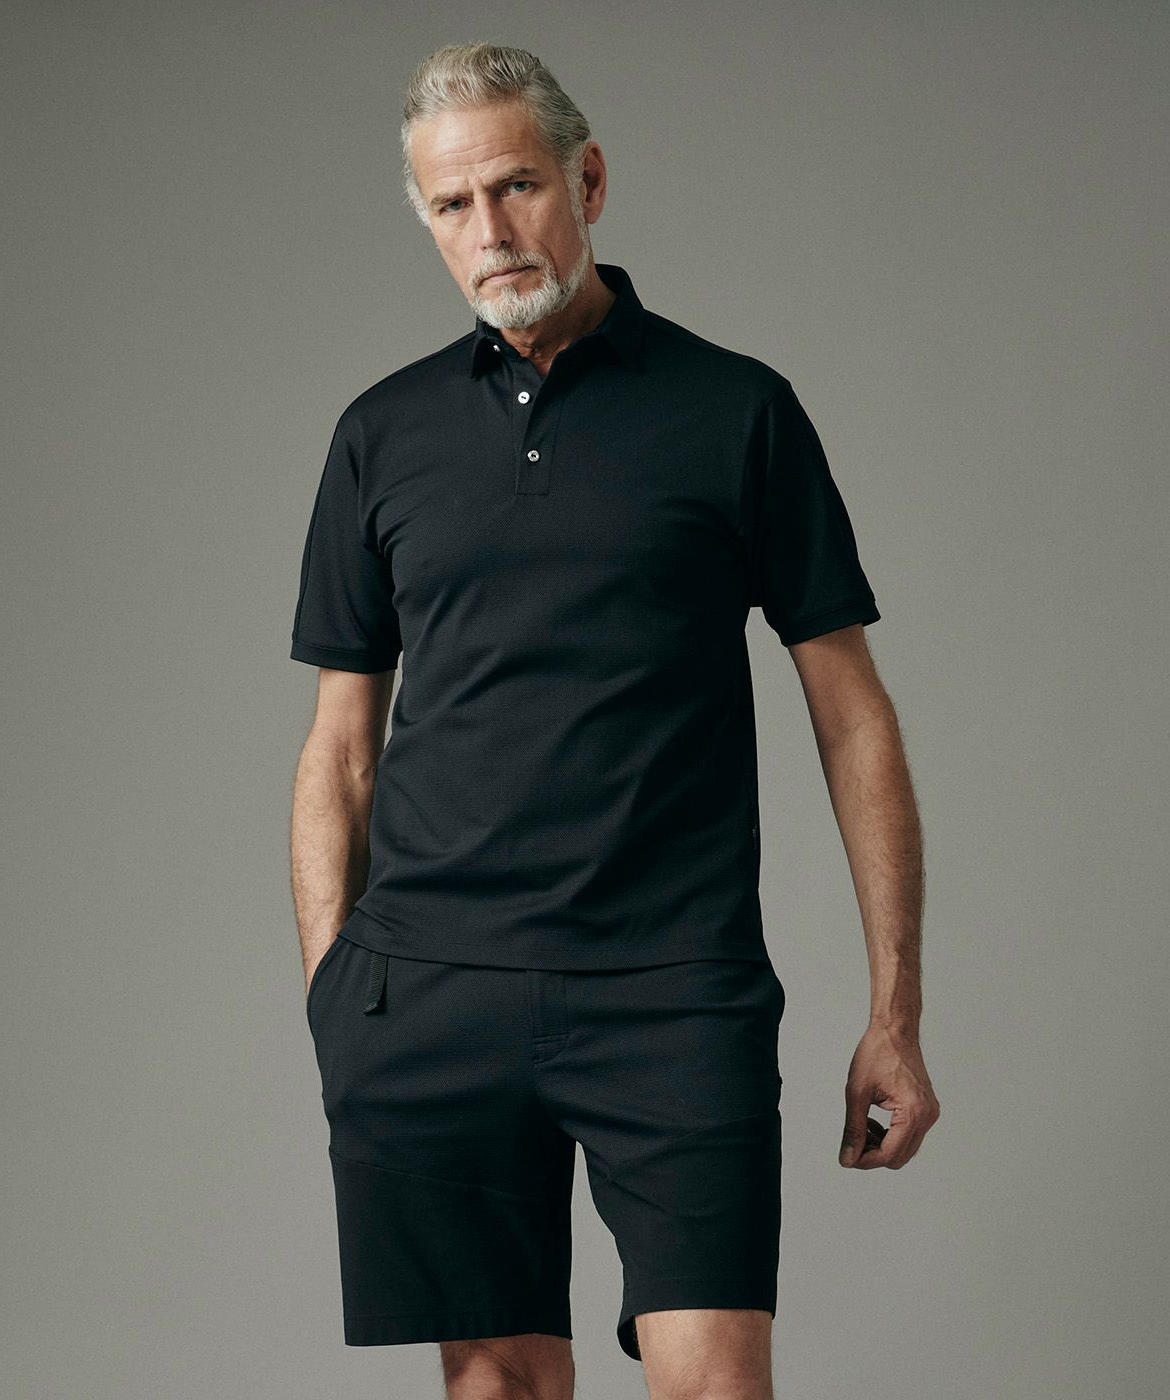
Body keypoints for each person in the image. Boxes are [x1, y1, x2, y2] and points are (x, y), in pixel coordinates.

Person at [288, 40, 939, 1400]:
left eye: (516, 186)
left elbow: (853, 719)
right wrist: (335, 999)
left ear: (586, 181)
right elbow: (341, 746)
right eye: (452, 204)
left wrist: (896, 1009)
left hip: (673, 990)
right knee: (499, 1386)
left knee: (717, 1382)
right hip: (432, 994)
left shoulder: (737, 410)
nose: (490, 230)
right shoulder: (380, 434)